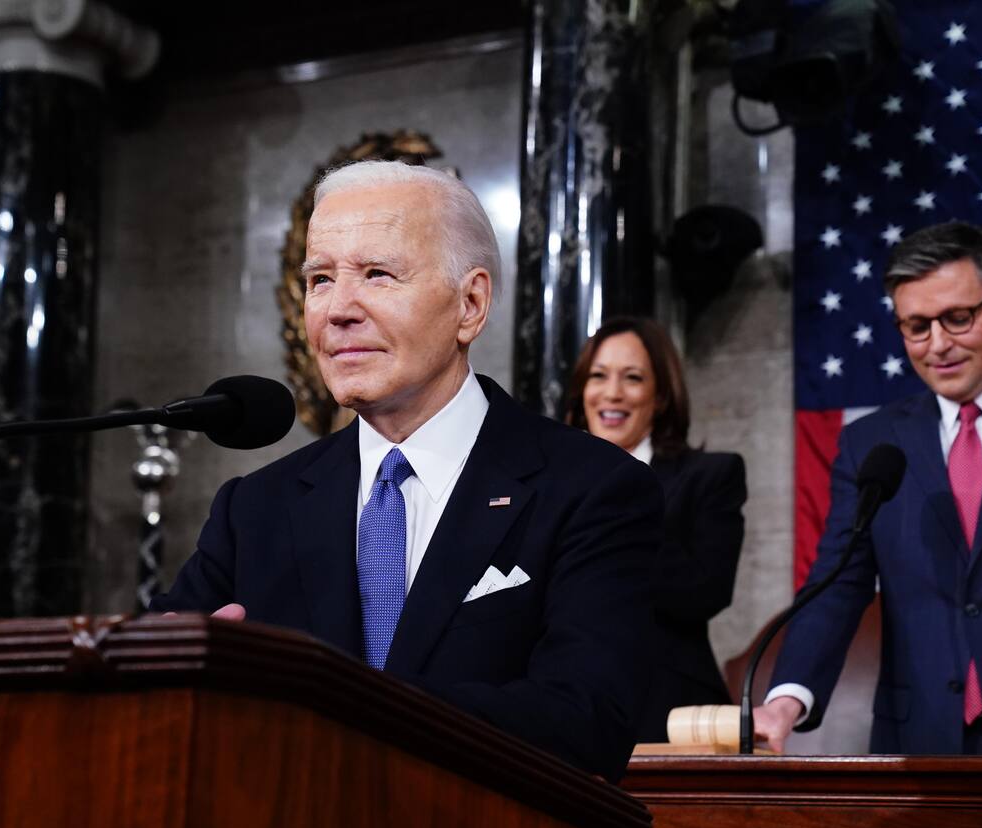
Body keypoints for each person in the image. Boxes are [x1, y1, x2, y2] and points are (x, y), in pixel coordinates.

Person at [152, 160, 664, 783]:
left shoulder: (593, 488)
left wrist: (331, 707)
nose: (338, 309)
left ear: (470, 304)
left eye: (377, 274)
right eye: (319, 279)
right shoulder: (254, 508)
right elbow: (162, 688)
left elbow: (586, 721)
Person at [754, 221, 982, 756]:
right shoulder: (871, 444)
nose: (938, 345)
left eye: (958, 318)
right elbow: (839, 585)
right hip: (921, 746)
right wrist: (786, 701)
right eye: (916, 327)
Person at [565, 316, 746, 743]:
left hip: (665, 709)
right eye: (598, 377)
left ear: (660, 395)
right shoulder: (549, 483)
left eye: (632, 378)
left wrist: (621, 497)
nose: (612, 393)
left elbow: (706, 592)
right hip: (561, 704)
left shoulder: (711, 474)